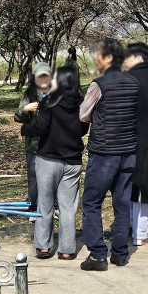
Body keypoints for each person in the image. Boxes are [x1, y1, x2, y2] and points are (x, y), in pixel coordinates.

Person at [79, 38, 140, 271]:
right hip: (129, 151)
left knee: (92, 202)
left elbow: (83, 115)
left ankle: (97, 255)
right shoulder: (134, 83)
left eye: (97, 55)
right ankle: (120, 253)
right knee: (122, 203)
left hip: (104, 152)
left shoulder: (99, 85)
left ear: (106, 57)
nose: (95, 59)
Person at [21, 65, 89, 260]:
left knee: (45, 203)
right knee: (68, 207)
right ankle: (67, 249)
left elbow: (39, 127)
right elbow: (83, 130)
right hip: (73, 161)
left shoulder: (51, 101)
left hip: (48, 159)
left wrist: (25, 128)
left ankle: (44, 246)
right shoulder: (82, 102)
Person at [123, 43, 148, 247]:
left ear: (138, 57)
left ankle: (136, 231)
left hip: (131, 139)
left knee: (133, 186)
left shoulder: (129, 79)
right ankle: (144, 231)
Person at [14, 62, 53, 214]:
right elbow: (18, 117)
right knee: (34, 177)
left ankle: (53, 205)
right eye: (39, 76)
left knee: (52, 177)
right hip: (34, 144)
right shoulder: (29, 94)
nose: (43, 79)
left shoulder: (57, 93)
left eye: (45, 76)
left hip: (53, 143)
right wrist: (25, 109)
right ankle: (33, 205)